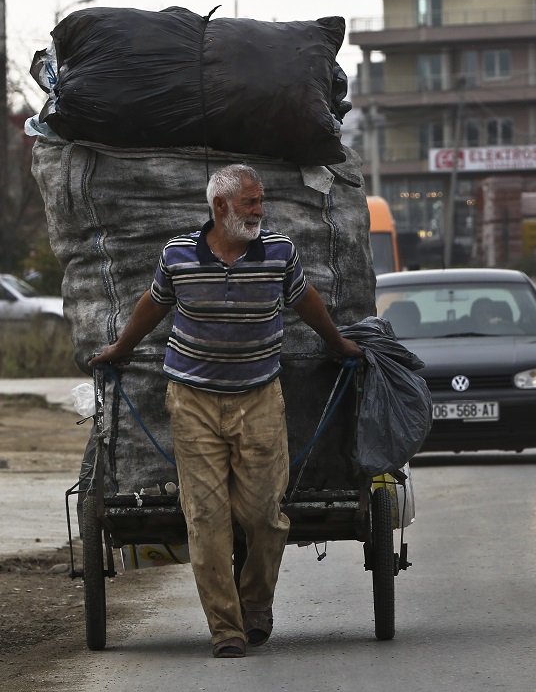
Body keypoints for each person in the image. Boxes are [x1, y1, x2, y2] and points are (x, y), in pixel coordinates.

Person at [88, 164, 363, 659]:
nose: (260, 210)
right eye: (250, 203)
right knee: (206, 518)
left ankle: (256, 605)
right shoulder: (178, 255)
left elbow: (306, 302)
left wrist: (338, 343)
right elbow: (152, 305)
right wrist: (120, 348)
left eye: (261, 201)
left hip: (259, 398)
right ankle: (226, 629)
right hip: (193, 404)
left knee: (264, 515)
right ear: (220, 207)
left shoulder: (279, 252)